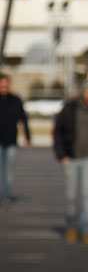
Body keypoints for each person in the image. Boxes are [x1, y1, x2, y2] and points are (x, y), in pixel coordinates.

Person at [52, 80, 88, 247]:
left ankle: (87, 230)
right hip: (71, 158)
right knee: (71, 196)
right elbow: (57, 132)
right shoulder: (69, 109)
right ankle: (71, 226)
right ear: (83, 92)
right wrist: (61, 155)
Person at [0, 73, 31, 204]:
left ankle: (6, 194)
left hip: (11, 140)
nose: (4, 87)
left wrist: (27, 137)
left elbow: (23, 119)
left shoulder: (16, 100)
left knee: (9, 170)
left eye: (6, 84)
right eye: (2, 84)